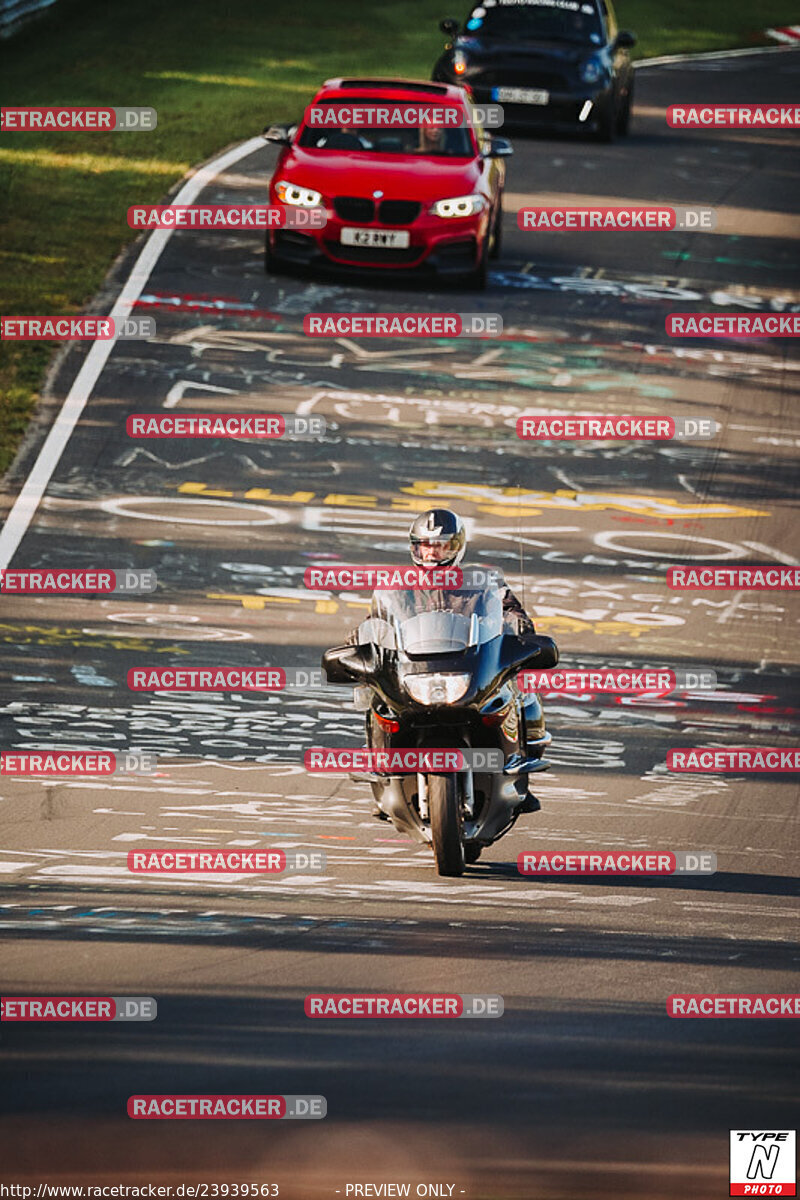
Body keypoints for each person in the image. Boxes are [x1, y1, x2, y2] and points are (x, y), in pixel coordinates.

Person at [348, 508, 543, 813]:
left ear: (457, 547)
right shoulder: (396, 587)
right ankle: (385, 776)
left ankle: (518, 776)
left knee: (519, 690)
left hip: (470, 666)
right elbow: (375, 621)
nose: (431, 552)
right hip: (416, 669)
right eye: (425, 545)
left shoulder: (482, 580)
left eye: (440, 545)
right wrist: (356, 646)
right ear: (414, 546)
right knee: (377, 699)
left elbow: (509, 609)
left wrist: (521, 629)